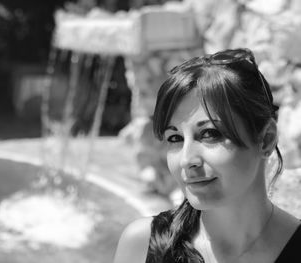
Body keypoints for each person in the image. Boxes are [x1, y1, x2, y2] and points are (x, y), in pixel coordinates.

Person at [113, 48, 301, 263]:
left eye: (210, 134)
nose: (186, 160)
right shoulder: (143, 246)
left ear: (266, 139)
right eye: (175, 138)